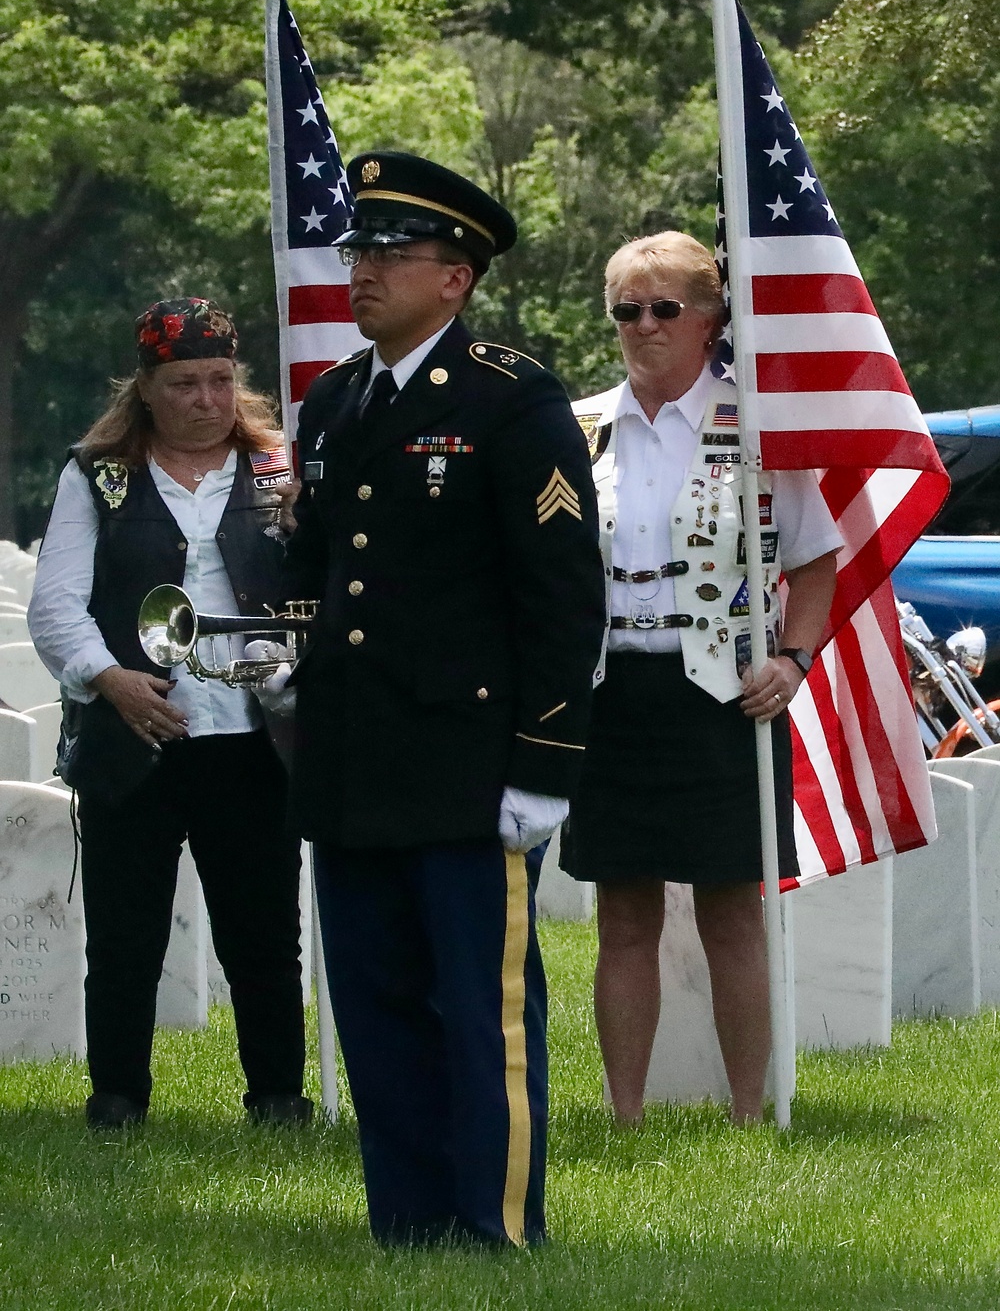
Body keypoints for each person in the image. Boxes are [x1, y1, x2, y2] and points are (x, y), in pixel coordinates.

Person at [277, 151, 606, 1246]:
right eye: (357, 249)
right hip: (352, 752)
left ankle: (496, 1221)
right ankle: (407, 1221)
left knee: (481, 1009)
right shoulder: (330, 400)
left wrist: (545, 762)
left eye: (387, 252)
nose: (361, 270)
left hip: (470, 758)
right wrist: (282, 650)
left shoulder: (511, 397)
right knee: (374, 1004)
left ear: (454, 277)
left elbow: (562, 596)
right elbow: (317, 562)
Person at [560, 231, 842, 1126]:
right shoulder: (579, 428)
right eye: (626, 311)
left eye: (664, 309)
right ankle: (626, 1114)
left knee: (732, 910)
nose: (643, 327)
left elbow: (818, 559)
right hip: (613, 688)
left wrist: (792, 659)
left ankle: (750, 1113)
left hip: (724, 691)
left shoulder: (755, 424)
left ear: (711, 319)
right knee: (624, 913)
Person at [27, 298, 312, 1131]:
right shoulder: (99, 475)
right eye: (184, 383)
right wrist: (106, 676)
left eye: (221, 380)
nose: (206, 399)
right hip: (135, 736)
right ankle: (117, 1097)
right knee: (125, 932)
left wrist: (290, 667)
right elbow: (56, 605)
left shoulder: (275, 470)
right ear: (146, 388)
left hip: (251, 738)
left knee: (263, 932)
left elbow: (315, 590)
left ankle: (277, 1096)